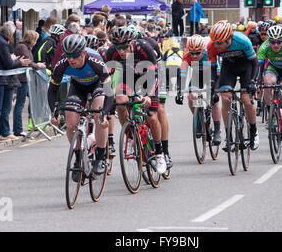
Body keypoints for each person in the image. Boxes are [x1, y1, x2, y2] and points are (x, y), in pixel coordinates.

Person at [104, 26, 167, 174]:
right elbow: (107, 78)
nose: (121, 51)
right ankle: (131, 136)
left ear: (131, 43)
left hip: (148, 78)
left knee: (152, 116)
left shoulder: (144, 48)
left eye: (125, 47)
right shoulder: (112, 53)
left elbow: (155, 74)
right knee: (120, 101)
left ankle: (159, 153)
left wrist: (149, 96)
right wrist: (107, 99)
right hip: (128, 78)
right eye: (118, 47)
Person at [49, 34, 113, 176]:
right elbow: (52, 89)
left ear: (83, 53)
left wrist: (105, 113)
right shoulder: (62, 64)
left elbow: (109, 90)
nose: (71, 59)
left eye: (75, 55)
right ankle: (78, 159)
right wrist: (54, 112)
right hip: (78, 86)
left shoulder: (95, 61)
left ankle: (101, 157)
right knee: (71, 125)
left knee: (98, 116)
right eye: (68, 55)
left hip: (98, 85)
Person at [207, 21, 260, 151]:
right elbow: (213, 71)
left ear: (229, 38)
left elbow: (255, 63)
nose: (216, 45)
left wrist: (253, 81)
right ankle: (229, 137)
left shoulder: (242, 40)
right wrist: (214, 89)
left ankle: (254, 132)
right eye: (214, 42)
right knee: (225, 98)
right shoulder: (212, 46)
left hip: (246, 68)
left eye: (219, 43)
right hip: (228, 69)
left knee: (247, 100)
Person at [0, 21, 30, 142]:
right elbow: (8, 64)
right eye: (13, 34)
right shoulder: (2, 43)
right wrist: (20, 62)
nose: (13, 37)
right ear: (9, 34)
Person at [176, 35, 222, 145]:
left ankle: (217, 131)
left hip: (212, 76)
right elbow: (182, 74)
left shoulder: (210, 55)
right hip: (197, 76)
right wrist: (179, 91)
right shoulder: (187, 57)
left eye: (197, 53)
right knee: (191, 96)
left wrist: (215, 91)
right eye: (192, 53)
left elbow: (218, 75)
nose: (194, 56)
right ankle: (198, 118)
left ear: (203, 51)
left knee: (215, 102)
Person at [13, 30, 46, 137]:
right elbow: (28, 62)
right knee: (20, 104)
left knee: (33, 100)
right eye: (35, 40)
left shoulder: (25, 47)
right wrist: (38, 65)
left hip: (26, 79)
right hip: (22, 79)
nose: (36, 42)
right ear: (31, 39)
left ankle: (34, 124)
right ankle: (18, 129)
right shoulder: (22, 47)